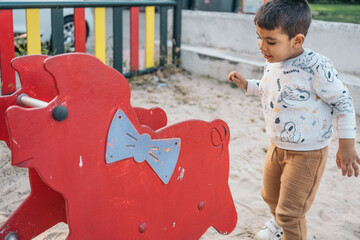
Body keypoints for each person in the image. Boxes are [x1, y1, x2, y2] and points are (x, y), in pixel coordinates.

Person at [228, 0, 360, 239]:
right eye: (258, 37)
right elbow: (274, 90)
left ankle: (286, 225)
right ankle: (277, 225)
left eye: (270, 41)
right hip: (277, 145)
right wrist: (248, 85)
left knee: (292, 212)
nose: (261, 46)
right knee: (270, 196)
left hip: (307, 153)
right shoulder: (274, 61)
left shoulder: (317, 67)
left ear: (297, 41)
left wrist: (347, 144)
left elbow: (343, 102)